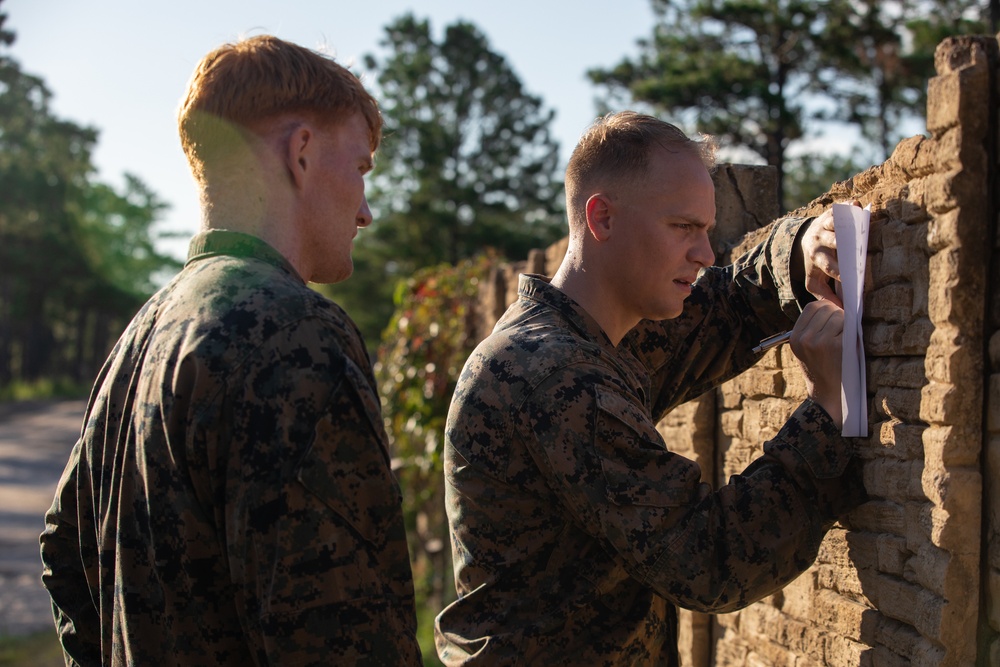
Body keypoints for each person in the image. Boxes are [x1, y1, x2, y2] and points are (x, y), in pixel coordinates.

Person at [39, 35, 421, 666]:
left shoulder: (145, 331)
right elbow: (342, 633)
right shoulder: (295, 334)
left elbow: (63, 551)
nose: (367, 211)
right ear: (301, 152)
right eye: (359, 169)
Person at [435, 111, 867, 665]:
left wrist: (803, 245)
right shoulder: (553, 373)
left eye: (707, 231)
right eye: (683, 227)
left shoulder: (589, 338)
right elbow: (709, 560)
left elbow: (726, 310)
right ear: (603, 218)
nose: (705, 253)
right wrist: (827, 412)